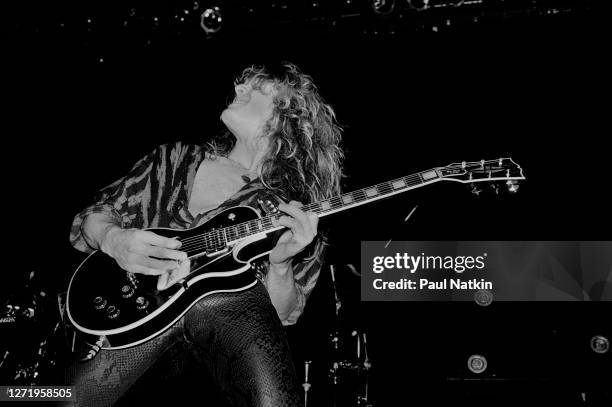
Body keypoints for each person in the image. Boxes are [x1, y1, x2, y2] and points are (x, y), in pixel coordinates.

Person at [66, 62, 344, 406]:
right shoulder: (174, 158)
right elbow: (92, 217)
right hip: (135, 316)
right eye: (240, 85)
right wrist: (114, 239)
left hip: (226, 321)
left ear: (286, 115)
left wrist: (282, 263)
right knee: (47, 398)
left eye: (255, 88)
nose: (239, 89)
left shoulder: (290, 208)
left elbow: (285, 315)